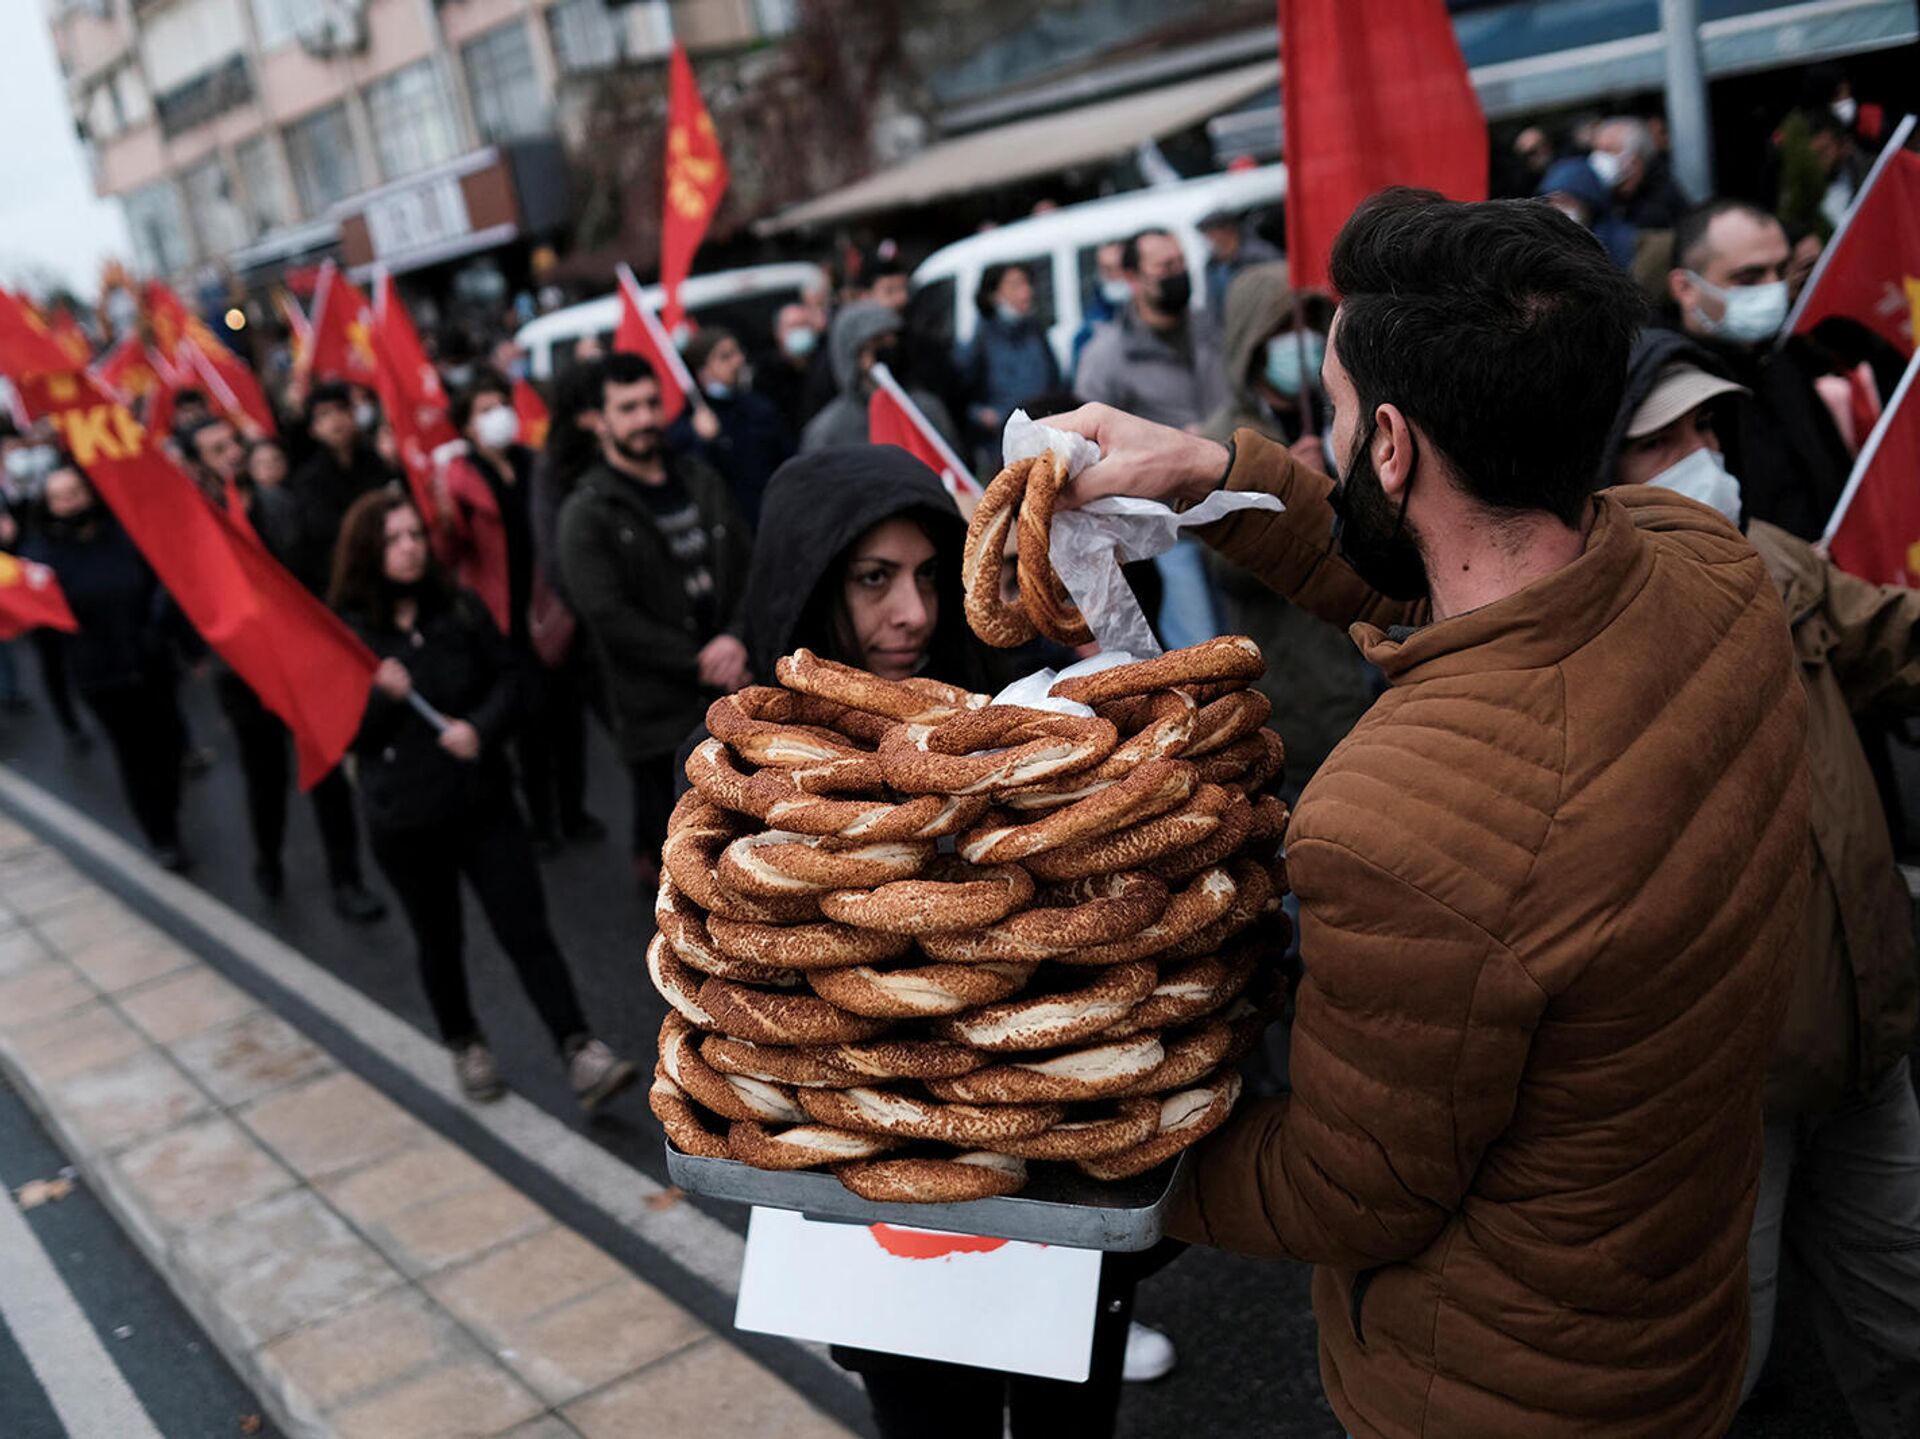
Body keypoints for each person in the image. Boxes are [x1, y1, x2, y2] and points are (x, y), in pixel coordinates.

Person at [1050, 188, 1810, 1439]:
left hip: (1494, 1391)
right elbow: (1456, 583)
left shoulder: (1391, 821)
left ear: (1392, 446)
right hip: (1674, 1320)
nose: (1326, 443)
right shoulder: (1709, 567)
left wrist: (1065, 1125)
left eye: (1336, 423)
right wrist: (1213, 471)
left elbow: (1349, 1190)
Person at [694, 442, 1176, 1436]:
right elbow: (730, 1019)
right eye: (872, 581)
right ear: (807, 583)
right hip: (874, 1231)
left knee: (1065, 1423)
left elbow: (1117, 954)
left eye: (926, 575)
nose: (911, 613)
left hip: (1049, 1193)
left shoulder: (1021, 734)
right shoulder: (738, 796)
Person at [1600, 336, 1920, 1437]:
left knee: (1906, 1326)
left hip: (1868, 1046)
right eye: (1660, 441)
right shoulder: (1583, 632)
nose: (1701, 455)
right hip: (1727, 1096)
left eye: (1703, 428)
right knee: (1718, 1375)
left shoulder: (1777, 559)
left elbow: (1896, 637)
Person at [329, 489, 637, 1110]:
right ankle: (466, 1042)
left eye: (415, 534)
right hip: (407, 820)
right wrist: (382, 699)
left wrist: (482, 728)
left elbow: (512, 680)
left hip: (482, 803)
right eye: (393, 540)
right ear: (368, 553)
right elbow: (338, 733)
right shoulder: (351, 639)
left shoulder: (458, 609)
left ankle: (578, 1048)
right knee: (438, 937)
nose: (410, 548)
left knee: (525, 928)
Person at [178, 415, 385, 919]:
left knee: (328, 770)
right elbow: (185, 597)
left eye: (232, 442)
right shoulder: (198, 526)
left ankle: (347, 880)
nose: (231, 452)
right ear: (196, 464)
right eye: (215, 448)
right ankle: (267, 859)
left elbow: (317, 575)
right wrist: (199, 655)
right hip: (246, 675)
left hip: (301, 663)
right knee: (264, 775)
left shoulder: (282, 505)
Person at [557, 354, 752, 886]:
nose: (644, 418)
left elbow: (747, 563)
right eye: (627, 408)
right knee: (684, 854)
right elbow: (608, 615)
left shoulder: (698, 478)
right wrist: (700, 661)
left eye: (650, 403)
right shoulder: (588, 511)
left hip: (734, 692)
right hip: (657, 713)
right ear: (600, 419)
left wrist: (735, 638)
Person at [1198, 264, 1362, 788]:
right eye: (1281, 331)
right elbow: (1226, 567)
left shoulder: (1345, 412)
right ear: (1253, 342)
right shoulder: (1228, 440)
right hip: (1297, 671)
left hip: (1365, 649)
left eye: (1309, 326)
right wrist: (1291, 495)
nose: (1301, 342)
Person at [22, 461, 192, 869]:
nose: (70, 503)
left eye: (75, 493)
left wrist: (174, 640)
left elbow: (161, 585)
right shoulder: (43, 556)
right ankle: (161, 834)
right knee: (136, 755)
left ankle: (167, 808)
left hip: (149, 662)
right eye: (60, 498)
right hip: (102, 674)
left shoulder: (124, 533)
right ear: (49, 507)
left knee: (169, 745)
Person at [1664, 198, 1854, 540]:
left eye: (1781, 271)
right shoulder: (1667, 394)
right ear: (1685, 288)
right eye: (1749, 277)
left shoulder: (1785, 360)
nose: (1772, 288)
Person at [1075, 228, 1226, 650]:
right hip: (1168, 530)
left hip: (1231, 505)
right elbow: (1090, 448)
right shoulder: (1107, 357)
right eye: (1165, 267)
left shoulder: (1209, 330)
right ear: (1133, 278)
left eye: (1180, 263)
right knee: (1203, 646)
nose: (1178, 274)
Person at [667, 326, 794, 528]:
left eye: (737, 353)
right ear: (703, 370)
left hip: (778, 515)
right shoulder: (689, 423)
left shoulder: (758, 407)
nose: (737, 361)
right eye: (725, 357)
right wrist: (704, 441)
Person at [800, 302, 960, 456]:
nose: (888, 350)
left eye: (891, 341)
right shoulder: (829, 431)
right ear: (854, 355)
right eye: (877, 343)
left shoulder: (925, 411)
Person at [285, 381, 397, 596]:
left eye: (341, 409)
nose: (335, 420)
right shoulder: (308, 480)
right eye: (324, 415)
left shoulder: (378, 462)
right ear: (313, 429)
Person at [955, 264, 1060, 471]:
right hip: (1003, 445)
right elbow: (960, 397)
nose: (1026, 292)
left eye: (1026, 284)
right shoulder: (982, 340)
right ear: (994, 295)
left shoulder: (1036, 332)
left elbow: (1055, 380)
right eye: (1014, 285)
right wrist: (983, 416)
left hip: (1044, 433)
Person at [1588, 114, 1691, 230]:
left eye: (1608, 150)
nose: (1598, 158)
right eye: (1596, 149)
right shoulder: (1597, 196)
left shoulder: (1659, 208)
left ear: (1634, 159)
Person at [1534, 156, 1637, 268]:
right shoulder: (1548, 242)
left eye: (1565, 201)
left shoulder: (1624, 241)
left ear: (1588, 200)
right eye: (1552, 201)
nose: (1558, 208)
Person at [1197, 209, 1283, 320]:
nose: (1209, 239)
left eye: (1212, 232)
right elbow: (1213, 307)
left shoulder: (1259, 256)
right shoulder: (1212, 266)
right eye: (1206, 233)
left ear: (1227, 230)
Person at [753, 302, 825, 434]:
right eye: (793, 326)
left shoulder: (824, 366)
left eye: (803, 325)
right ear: (778, 333)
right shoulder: (767, 376)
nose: (799, 331)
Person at [1068, 241, 1130, 382]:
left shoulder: (1151, 316)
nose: (1115, 275)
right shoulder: (1088, 332)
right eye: (1108, 270)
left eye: (1118, 267)